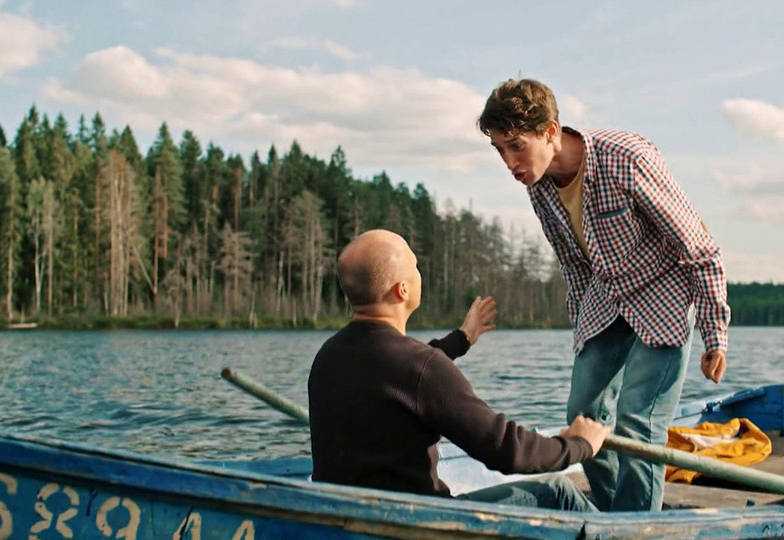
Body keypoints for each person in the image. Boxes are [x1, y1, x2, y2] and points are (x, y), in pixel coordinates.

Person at [478, 79, 731, 512]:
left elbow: (699, 247)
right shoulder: (538, 187)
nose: (509, 162)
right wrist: (584, 335)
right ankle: (617, 515)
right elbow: (574, 266)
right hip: (606, 295)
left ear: (551, 132)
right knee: (583, 413)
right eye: (500, 150)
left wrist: (714, 334)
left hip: (663, 291)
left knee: (637, 422)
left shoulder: (626, 159)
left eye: (516, 146)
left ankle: (636, 526)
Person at [308, 229, 609, 512]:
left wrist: (462, 339)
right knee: (558, 491)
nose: (419, 273)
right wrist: (578, 445)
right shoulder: (421, 368)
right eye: (415, 266)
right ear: (402, 290)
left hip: (348, 518)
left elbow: (400, 376)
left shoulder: (328, 357)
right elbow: (505, 450)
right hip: (419, 523)